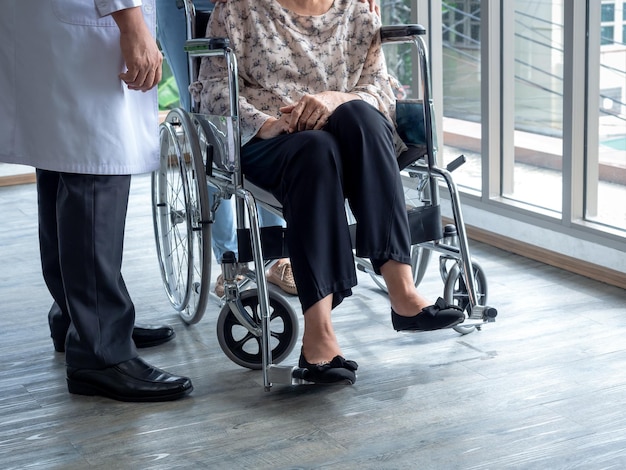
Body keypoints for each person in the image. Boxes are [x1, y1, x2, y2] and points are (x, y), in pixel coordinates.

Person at [192, 0, 465, 384]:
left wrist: (336, 99)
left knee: (359, 114)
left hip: (351, 135)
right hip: (274, 139)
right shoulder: (239, 9)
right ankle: (318, 332)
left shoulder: (357, 9)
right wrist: (265, 123)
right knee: (315, 150)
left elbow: (378, 88)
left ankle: (402, 291)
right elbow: (213, 91)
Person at [0, 1, 192, 401]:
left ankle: (79, 316)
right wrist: (131, 21)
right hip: (88, 20)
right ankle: (100, 350)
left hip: (52, 23)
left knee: (62, 161)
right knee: (93, 169)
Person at [155, 0, 297, 296]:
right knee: (210, 118)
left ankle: (278, 253)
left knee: (270, 102)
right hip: (189, 6)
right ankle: (232, 259)